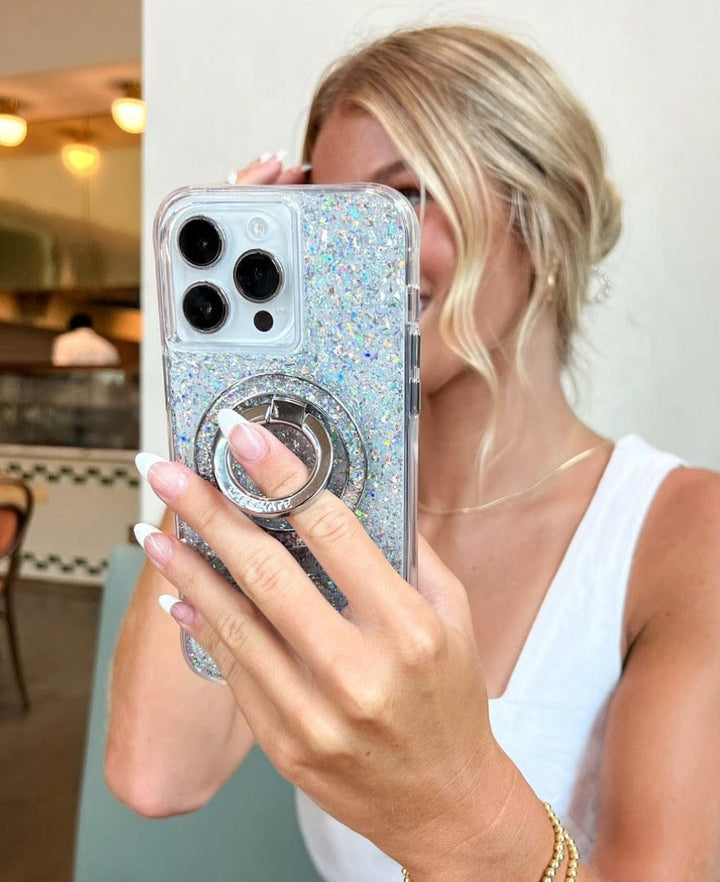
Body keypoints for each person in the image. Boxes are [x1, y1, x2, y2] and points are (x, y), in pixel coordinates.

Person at [105, 24, 720, 881]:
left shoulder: (689, 534)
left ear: (542, 217)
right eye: (329, 214)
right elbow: (158, 774)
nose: (358, 261)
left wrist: (454, 802)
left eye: (406, 199)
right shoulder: (316, 512)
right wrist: (231, 386)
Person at [51, 312, 120, 366]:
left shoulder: (63, 341)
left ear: (70, 326)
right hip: (99, 384)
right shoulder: (107, 346)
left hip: (69, 384)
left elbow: (60, 369)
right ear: (91, 326)